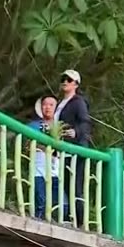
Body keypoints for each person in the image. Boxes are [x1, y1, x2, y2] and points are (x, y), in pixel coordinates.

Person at [53, 69, 92, 226]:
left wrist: (75, 131)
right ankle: (68, 216)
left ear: (76, 84)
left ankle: (79, 220)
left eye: (68, 80)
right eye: (63, 78)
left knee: (74, 185)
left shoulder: (78, 102)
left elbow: (85, 122)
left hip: (74, 148)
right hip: (62, 149)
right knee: (64, 183)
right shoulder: (60, 103)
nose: (65, 82)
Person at [28, 95, 60, 220]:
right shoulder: (34, 125)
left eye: (51, 105)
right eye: (45, 104)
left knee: (56, 200)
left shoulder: (61, 127)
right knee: (40, 197)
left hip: (56, 167)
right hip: (39, 166)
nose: (48, 107)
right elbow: (27, 144)